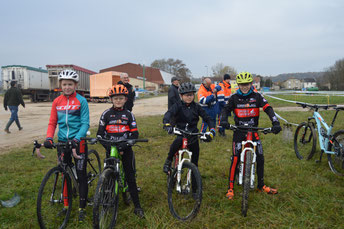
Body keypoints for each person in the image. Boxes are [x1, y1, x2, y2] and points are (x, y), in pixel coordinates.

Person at [219, 72, 282, 200]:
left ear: (250, 84)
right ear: (238, 85)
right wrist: (224, 121)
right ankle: (230, 187)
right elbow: (225, 110)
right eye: (242, 84)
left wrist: (275, 122)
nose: (244, 87)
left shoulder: (257, 96)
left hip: (253, 132)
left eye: (246, 84)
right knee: (235, 158)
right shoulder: (234, 97)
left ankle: (261, 185)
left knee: (260, 158)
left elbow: (268, 108)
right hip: (239, 132)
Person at [44, 70, 90, 222]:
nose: (67, 87)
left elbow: (85, 123)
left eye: (70, 84)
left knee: (81, 174)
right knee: (65, 174)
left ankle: (82, 208)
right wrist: (49, 138)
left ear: (76, 85)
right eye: (64, 84)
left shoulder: (81, 101)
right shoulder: (57, 102)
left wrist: (77, 139)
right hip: (63, 142)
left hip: (79, 142)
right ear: (60, 85)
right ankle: (66, 205)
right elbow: (52, 122)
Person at [96, 84, 144, 218]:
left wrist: (124, 146)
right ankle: (106, 202)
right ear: (111, 99)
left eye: (121, 98)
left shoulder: (129, 115)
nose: (118, 101)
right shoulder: (106, 114)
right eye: (115, 98)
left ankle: (137, 206)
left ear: (125, 99)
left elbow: (135, 134)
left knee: (130, 176)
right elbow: (99, 134)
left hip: (126, 148)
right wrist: (108, 146)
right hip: (111, 148)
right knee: (107, 177)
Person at [162, 82, 216, 174]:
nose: (189, 97)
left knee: (195, 162)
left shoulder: (197, 107)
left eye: (191, 95)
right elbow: (169, 114)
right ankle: (168, 160)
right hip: (181, 133)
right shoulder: (177, 105)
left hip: (193, 135)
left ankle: (195, 185)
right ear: (181, 96)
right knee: (176, 143)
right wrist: (167, 124)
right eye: (186, 95)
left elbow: (207, 118)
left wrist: (212, 130)